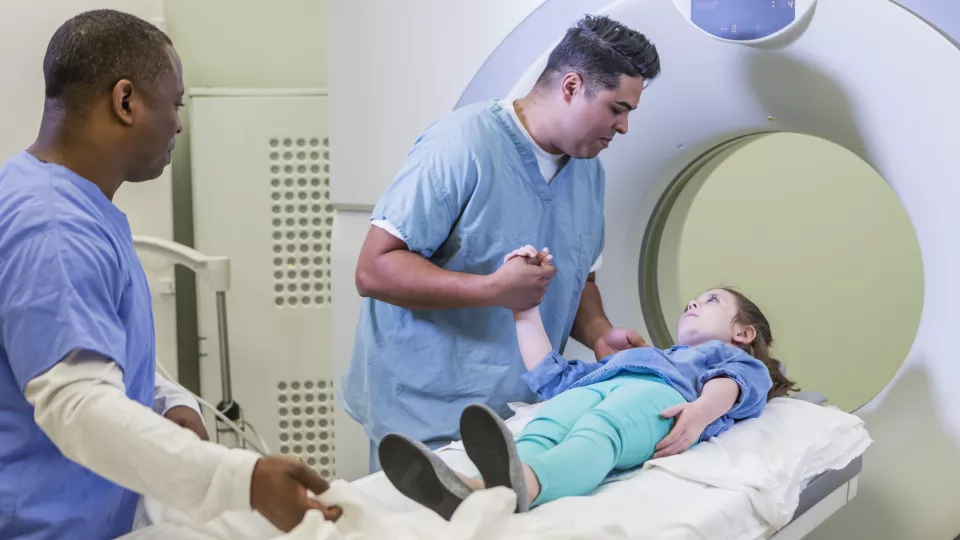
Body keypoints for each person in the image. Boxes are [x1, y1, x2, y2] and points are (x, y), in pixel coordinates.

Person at [0, 10, 339, 539]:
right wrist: (242, 480)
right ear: (126, 101)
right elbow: (77, 403)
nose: (179, 123)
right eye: (175, 104)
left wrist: (169, 399)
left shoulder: (66, 203)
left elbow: (90, 340)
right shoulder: (54, 225)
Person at [343, 14, 662, 469]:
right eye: (617, 108)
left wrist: (598, 334)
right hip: (427, 416)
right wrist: (492, 289)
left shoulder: (588, 169)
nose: (624, 126)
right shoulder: (461, 145)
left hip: (524, 416)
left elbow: (579, 277)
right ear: (571, 86)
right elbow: (374, 269)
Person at [378, 247, 799, 519]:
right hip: (601, 385)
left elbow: (737, 383)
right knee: (549, 422)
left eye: (711, 301)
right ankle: (481, 488)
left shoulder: (724, 360)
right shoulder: (643, 356)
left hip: (664, 402)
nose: (693, 301)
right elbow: (553, 375)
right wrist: (523, 310)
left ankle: (520, 486)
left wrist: (703, 411)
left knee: (601, 429)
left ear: (743, 334)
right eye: (695, 298)